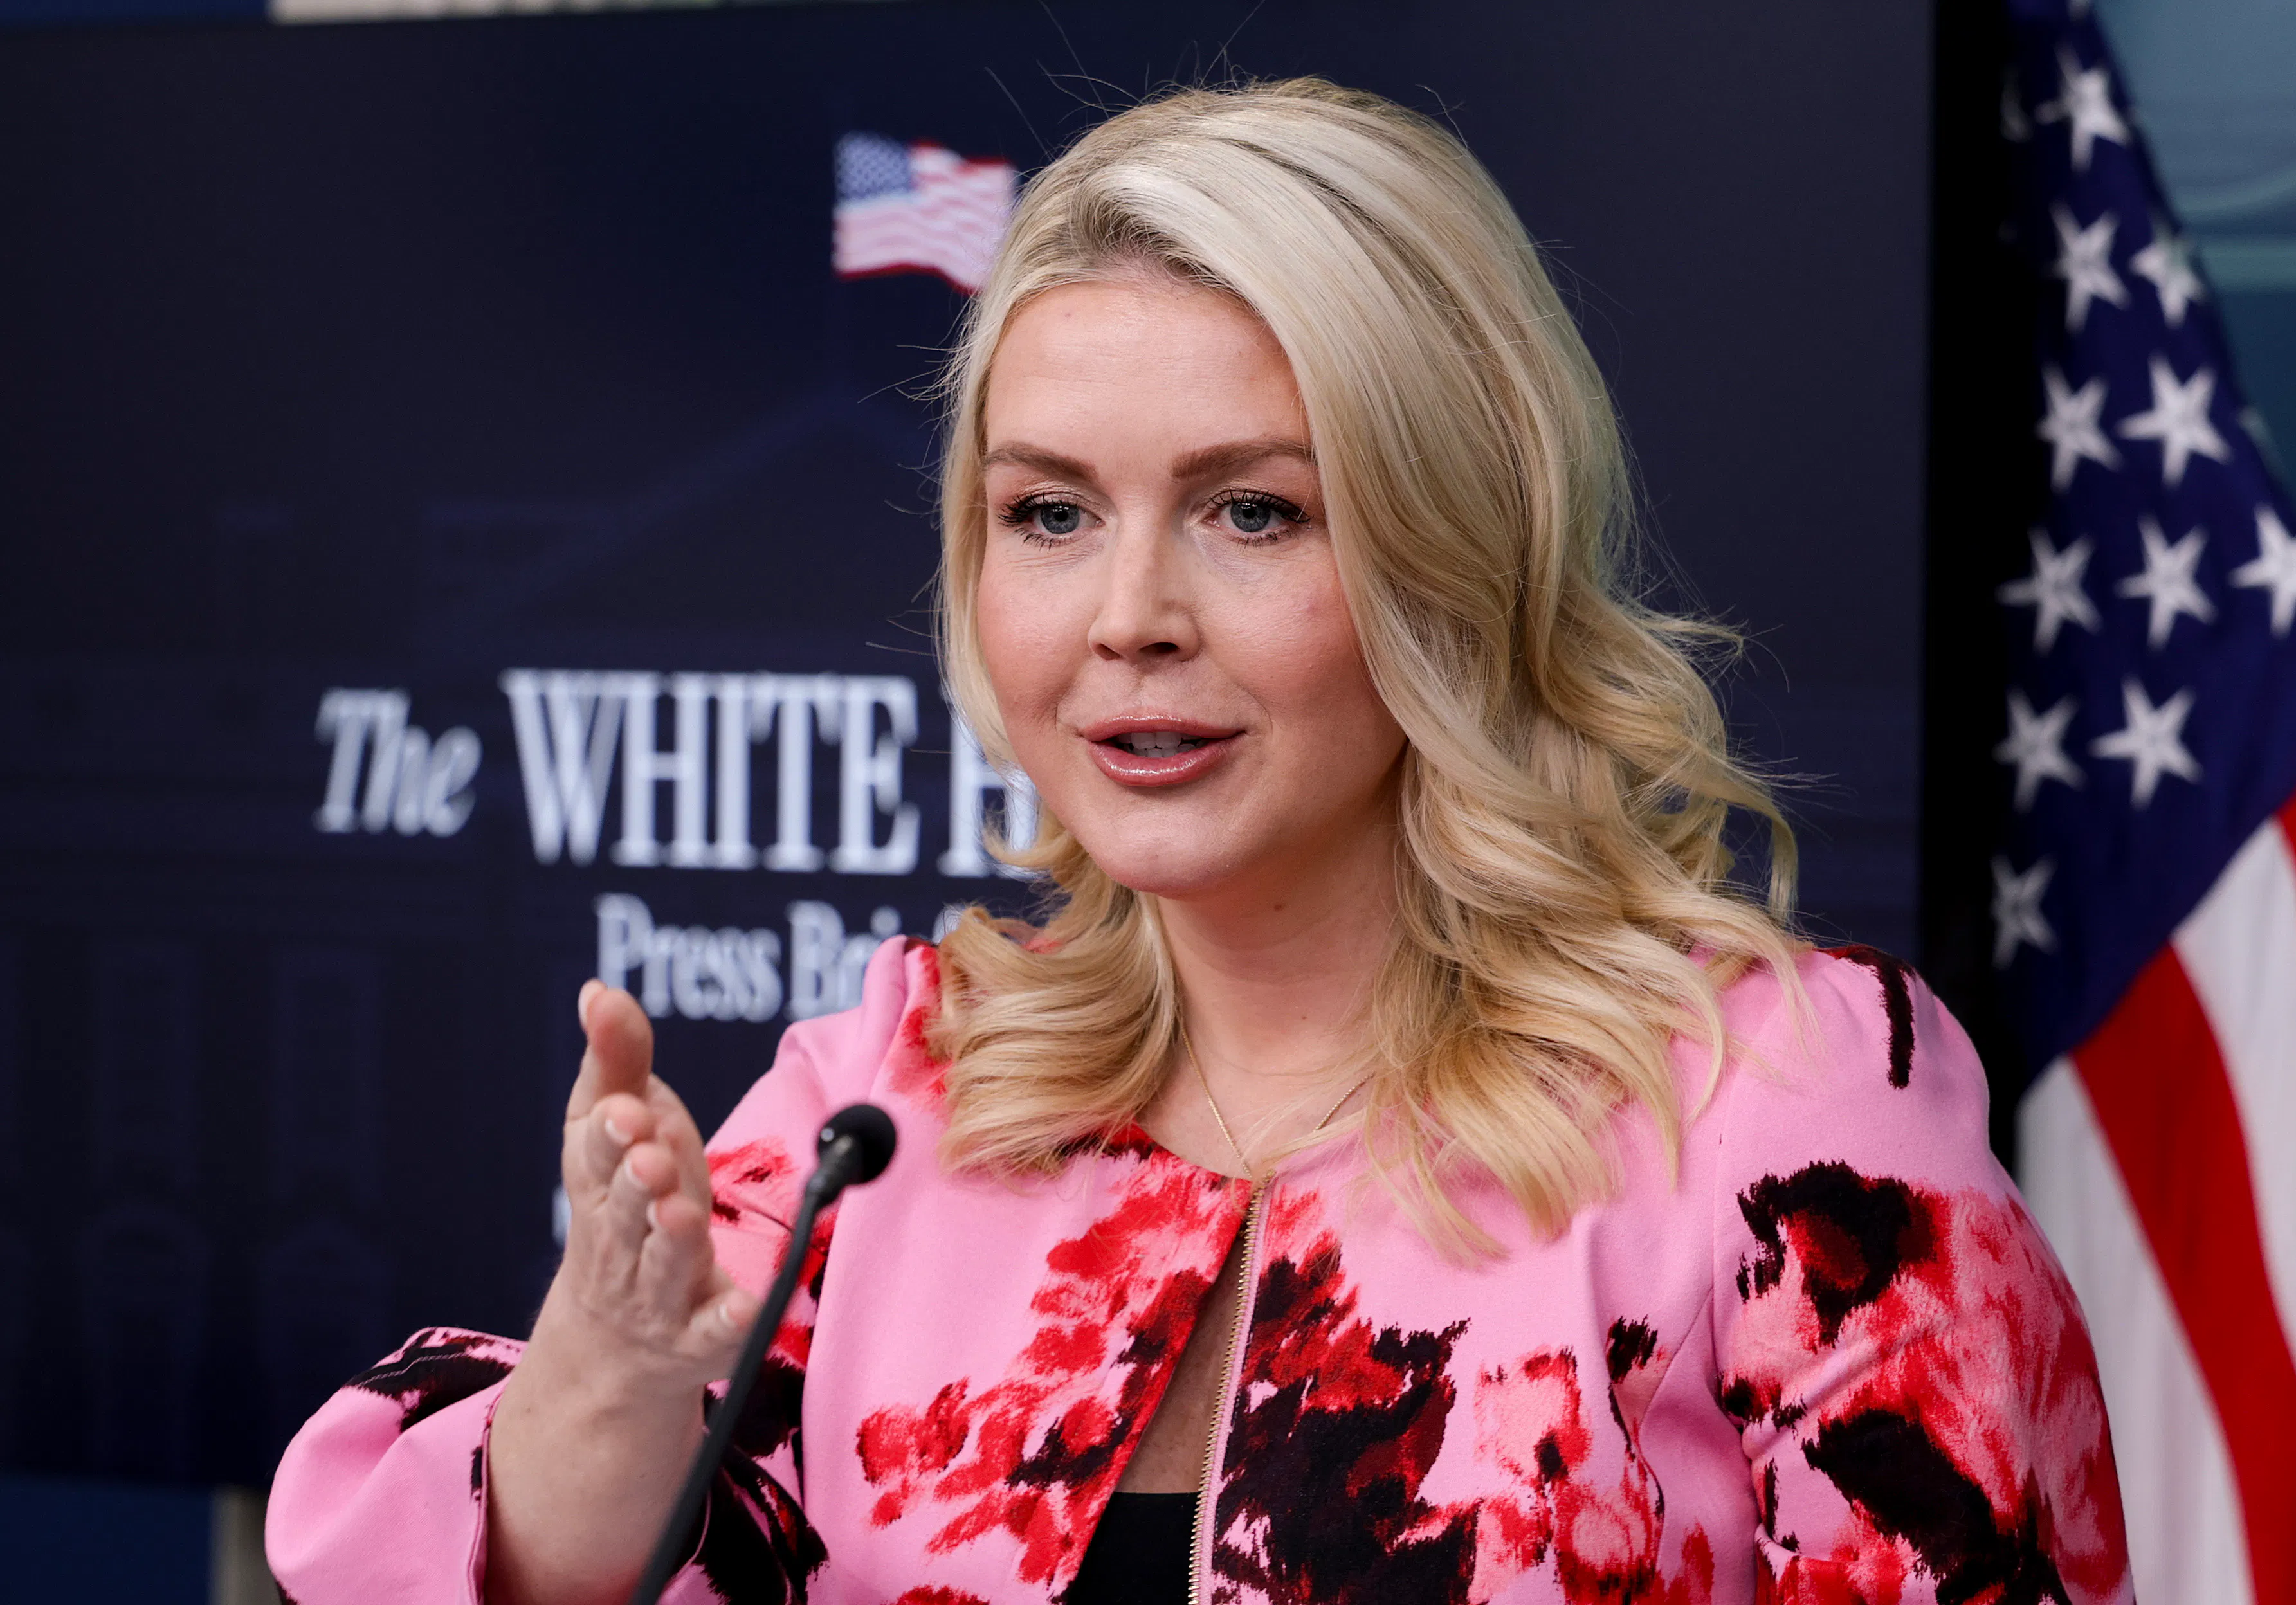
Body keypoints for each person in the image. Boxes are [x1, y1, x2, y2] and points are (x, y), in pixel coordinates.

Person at [264, 79, 2131, 1605]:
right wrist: (606, 1372)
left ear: (1451, 547)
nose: (1127, 615)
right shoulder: (893, 1093)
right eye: (1052, 514)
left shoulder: (1782, 1106)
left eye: (1251, 514)